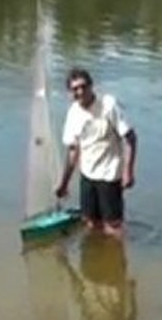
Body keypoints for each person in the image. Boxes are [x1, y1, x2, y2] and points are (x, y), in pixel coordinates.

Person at [55, 68, 137, 237]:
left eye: (83, 86)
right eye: (75, 89)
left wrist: (128, 172)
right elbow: (72, 150)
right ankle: (96, 259)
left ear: (92, 86)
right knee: (90, 222)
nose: (80, 92)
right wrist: (64, 184)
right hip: (88, 175)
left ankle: (117, 257)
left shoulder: (108, 105)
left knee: (113, 227)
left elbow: (130, 138)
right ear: (70, 93)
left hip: (109, 175)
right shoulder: (73, 113)